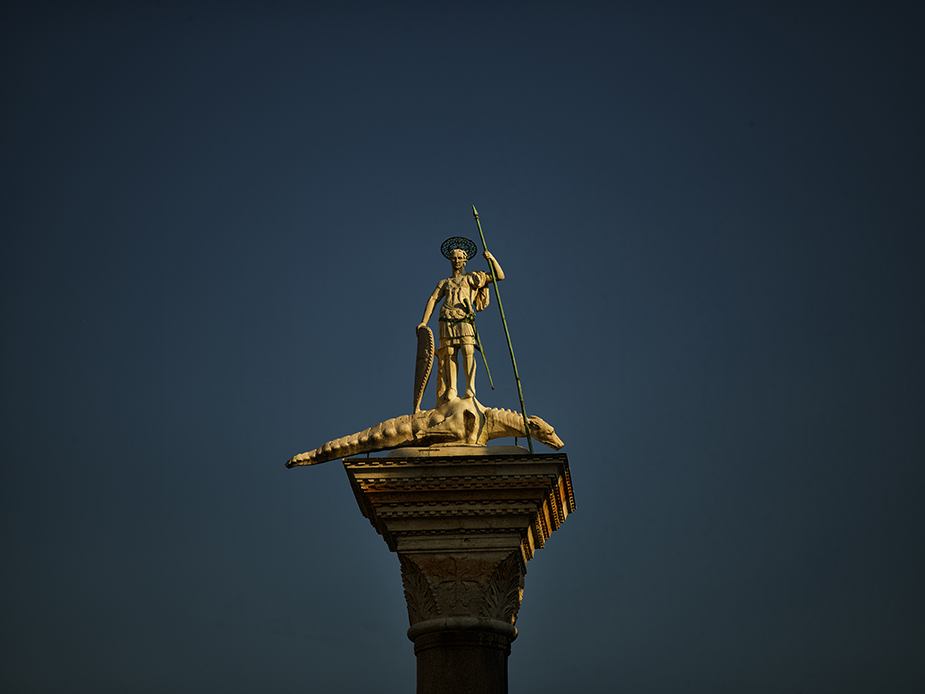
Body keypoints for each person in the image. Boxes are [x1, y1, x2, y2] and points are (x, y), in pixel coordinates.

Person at [418, 239, 505, 405]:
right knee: (449, 353)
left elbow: (499, 276)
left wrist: (491, 259)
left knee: (468, 350)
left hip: (464, 316)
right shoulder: (444, 282)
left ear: (465, 259)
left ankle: (470, 387)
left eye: (459, 258)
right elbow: (433, 299)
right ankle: (452, 388)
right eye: (454, 258)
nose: (456, 261)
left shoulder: (473, 277)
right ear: (450, 260)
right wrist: (423, 322)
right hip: (446, 317)